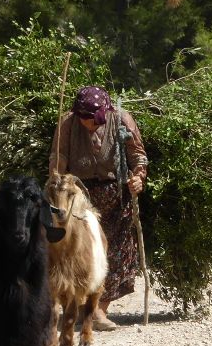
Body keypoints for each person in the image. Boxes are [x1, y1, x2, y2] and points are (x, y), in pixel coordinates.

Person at [48, 85, 148, 331]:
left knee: (111, 251)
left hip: (115, 196)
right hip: (79, 197)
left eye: (93, 119)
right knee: (79, 251)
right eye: (84, 118)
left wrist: (138, 177)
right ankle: (78, 306)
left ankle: (99, 311)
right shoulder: (68, 124)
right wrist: (57, 180)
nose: (88, 123)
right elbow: (58, 158)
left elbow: (138, 154)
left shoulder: (121, 119)